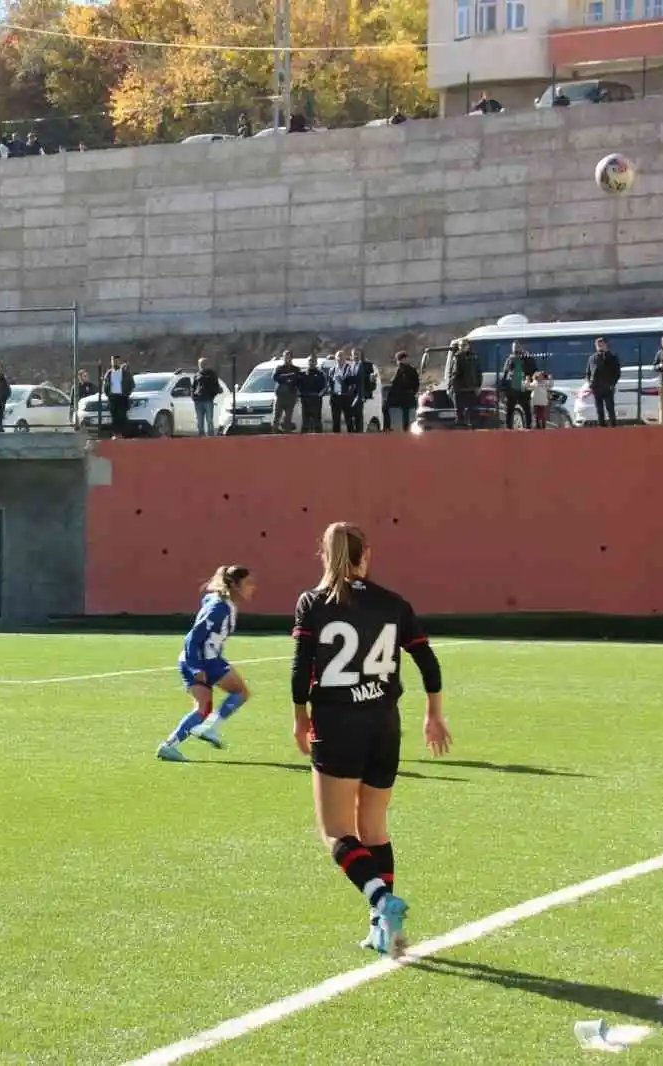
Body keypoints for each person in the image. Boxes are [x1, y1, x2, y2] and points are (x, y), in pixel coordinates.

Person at [290, 523, 450, 957]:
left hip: (338, 725)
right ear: (368, 554)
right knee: (374, 827)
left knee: (335, 831)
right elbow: (427, 660)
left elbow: (301, 668)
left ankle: (382, 901)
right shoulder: (393, 604)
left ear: (324, 555)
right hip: (384, 724)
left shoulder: (313, 603)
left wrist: (299, 717)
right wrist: (433, 714)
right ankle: (383, 928)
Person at [156, 565, 256, 762]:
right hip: (204, 661)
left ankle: (169, 746)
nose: (252, 587)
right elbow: (192, 638)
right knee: (240, 692)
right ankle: (210, 727)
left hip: (197, 660)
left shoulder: (219, 602)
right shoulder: (220, 607)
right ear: (235, 586)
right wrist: (196, 667)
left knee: (203, 709)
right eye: (248, 583)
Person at [384, 351, 420, 432]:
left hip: (402, 396)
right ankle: (404, 429)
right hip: (403, 395)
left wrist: (412, 391)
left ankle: (389, 427)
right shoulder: (407, 369)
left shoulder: (402, 369)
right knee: (405, 413)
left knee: (387, 408)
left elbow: (395, 382)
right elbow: (416, 384)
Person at [193, 357, 222, 437]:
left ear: (207, 364)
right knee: (199, 420)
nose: (202, 366)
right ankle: (201, 435)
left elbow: (216, 386)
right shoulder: (197, 375)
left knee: (209, 420)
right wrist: (193, 397)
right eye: (200, 364)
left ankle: (211, 436)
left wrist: (212, 396)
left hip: (208, 400)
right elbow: (193, 387)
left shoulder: (212, 374)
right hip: (198, 401)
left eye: (203, 364)